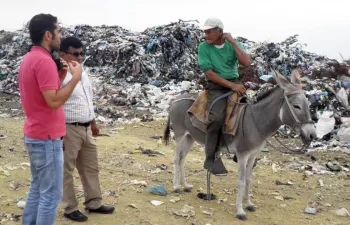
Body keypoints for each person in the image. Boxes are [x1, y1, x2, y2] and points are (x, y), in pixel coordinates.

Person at [18, 14, 82, 225]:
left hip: (36, 133)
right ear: (48, 35)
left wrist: (63, 74)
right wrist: (75, 79)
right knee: (51, 195)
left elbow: (47, 92)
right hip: (46, 137)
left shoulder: (30, 57)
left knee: (38, 188)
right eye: (58, 31)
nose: (61, 36)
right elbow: (53, 101)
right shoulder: (44, 61)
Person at [59, 36, 115, 222]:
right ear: (62, 54)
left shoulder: (82, 72)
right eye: (75, 54)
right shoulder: (59, 74)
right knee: (67, 170)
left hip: (85, 128)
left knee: (91, 167)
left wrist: (92, 123)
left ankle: (94, 202)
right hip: (68, 128)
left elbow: (87, 99)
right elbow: (55, 100)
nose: (79, 57)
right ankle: (70, 207)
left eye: (81, 53)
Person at [198, 17, 251, 175]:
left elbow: (246, 63)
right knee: (216, 119)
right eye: (205, 31)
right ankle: (210, 158)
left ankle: (242, 151)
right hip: (217, 87)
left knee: (251, 114)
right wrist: (232, 86)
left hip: (235, 83)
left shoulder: (232, 45)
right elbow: (209, 74)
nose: (206, 34)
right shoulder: (203, 47)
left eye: (209, 31)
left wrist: (234, 43)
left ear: (220, 31)